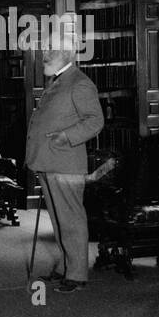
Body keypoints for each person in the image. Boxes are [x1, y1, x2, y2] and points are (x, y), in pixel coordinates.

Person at [24, 42, 105, 292]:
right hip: (50, 161)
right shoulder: (59, 80)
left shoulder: (79, 82)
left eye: (51, 53)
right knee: (60, 221)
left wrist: (65, 136)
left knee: (71, 220)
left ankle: (78, 274)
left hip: (65, 162)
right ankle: (66, 268)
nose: (45, 57)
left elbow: (95, 121)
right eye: (45, 52)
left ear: (68, 56)